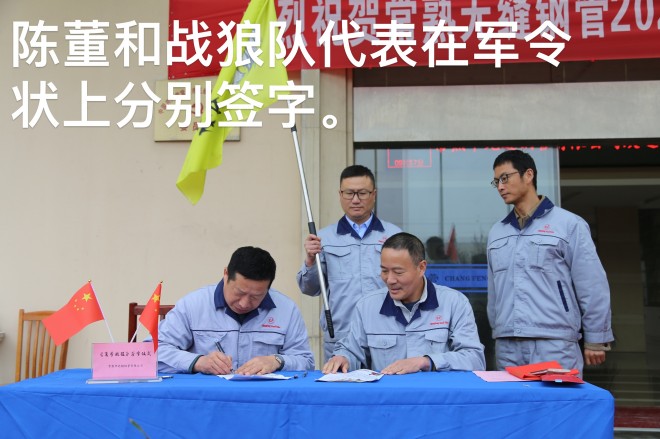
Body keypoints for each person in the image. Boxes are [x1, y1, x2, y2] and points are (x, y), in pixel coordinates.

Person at [487, 149, 613, 375]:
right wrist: (498, 330)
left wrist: (596, 338)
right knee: (512, 399)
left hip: (555, 343)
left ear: (528, 175)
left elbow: (591, 283)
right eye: (496, 181)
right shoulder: (497, 232)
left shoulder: (569, 225)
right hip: (507, 345)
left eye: (505, 178)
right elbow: (494, 291)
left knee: (558, 399)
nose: (500, 187)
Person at [322, 232, 485, 374]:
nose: (390, 280)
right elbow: (351, 350)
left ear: (421, 268)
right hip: (388, 398)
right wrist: (342, 358)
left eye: (398, 272)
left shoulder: (454, 303)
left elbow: (475, 359)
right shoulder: (367, 306)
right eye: (384, 271)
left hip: (436, 397)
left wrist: (426, 361)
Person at [297, 165, 402, 362]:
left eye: (362, 193)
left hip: (386, 333)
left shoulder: (394, 236)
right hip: (341, 334)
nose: (355, 199)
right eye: (349, 193)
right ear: (340, 194)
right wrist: (310, 261)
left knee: (387, 380)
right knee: (341, 381)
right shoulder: (323, 238)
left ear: (374, 194)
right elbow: (309, 289)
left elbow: (408, 284)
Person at [158, 246, 315, 374]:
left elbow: (306, 361)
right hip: (208, 396)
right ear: (226, 274)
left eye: (256, 296)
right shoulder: (193, 305)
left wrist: (277, 361)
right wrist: (198, 362)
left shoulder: (287, 310)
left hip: (264, 397)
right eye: (239, 292)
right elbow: (154, 351)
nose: (244, 303)